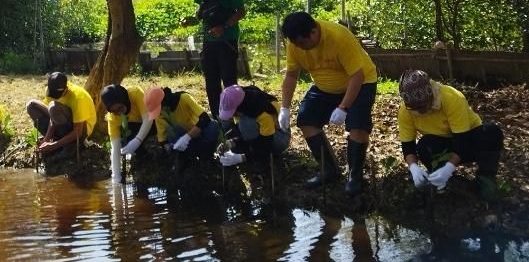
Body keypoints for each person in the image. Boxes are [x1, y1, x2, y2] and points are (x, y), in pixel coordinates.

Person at [279, 11, 378, 194]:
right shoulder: (295, 44)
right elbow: (292, 75)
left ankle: (355, 176)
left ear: (313, 32)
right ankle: (329, 169)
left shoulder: (339, 37)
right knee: (306, 119)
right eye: (296, 44)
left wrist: (343, 107)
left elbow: (357, 76)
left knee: (358, 126)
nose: (299, 47)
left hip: (360, 82)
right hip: (324, 86)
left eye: (302, 43)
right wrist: (284, 107)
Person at [398, 69, 504, 201]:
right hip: (442, 144)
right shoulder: (405, 111)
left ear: (431, 95)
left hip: (469, 139)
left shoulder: (451, 97)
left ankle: (486, 178)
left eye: (423, 106)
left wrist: (449, 168)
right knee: (424, 145)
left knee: (491, 133)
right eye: (415, 108)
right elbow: (408, 145)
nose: (420, 111)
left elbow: (462, 140)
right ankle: (440, 180)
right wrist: (413, 167)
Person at [180, 0, 246, 119]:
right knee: (211, 83)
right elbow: (201, 10)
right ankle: (218, 120)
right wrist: (191, 20)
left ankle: (236, 118)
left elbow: (241, 11)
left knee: (229, 82)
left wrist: (224, 27)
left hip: (226, 41)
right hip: (208, 42)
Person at [144, 86, 220, 170]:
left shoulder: (184, 98)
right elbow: (163, 139)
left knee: (213, 126)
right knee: (173, 132)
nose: (160, 112)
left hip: (200, 134)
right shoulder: (159, 115)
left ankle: (206, 156)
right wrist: (170, 148)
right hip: (186, 144)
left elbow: (205, 118)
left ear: (164, 101)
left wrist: (187, 137)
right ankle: (186, 158)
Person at [215, 84, 290, 167]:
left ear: (240, 107)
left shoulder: (261, 112)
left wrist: (242, 158)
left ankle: (261, 161)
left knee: (246, 124)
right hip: (260, 134)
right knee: (236, 141)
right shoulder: (244, 105)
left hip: (279, 136)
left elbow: (265, 145)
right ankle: (252, 154)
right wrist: (231, 143)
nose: (232, 117)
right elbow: (243, 134)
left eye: (232, 113)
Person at [26, 72, 96, 159]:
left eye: (58, 96)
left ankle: (69, 145)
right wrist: (46, 139)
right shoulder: (50, 90)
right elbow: (53, 117)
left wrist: (53, 146)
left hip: (79, 131)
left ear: (66, 89)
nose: (55, 97)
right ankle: (55, 139)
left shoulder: (78, 98)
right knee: (31, 105)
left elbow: (78, 132)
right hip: (59, 119)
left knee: (53, 107)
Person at [100, 84, 155, 184]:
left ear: (124, 100)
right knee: (128, 135)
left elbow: (148, 119)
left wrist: (137, 140)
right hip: (134, 128)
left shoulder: (135, 93)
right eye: (114, 111)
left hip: (153, 121)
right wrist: (116, 176)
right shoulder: (112, 117)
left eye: (120, 108)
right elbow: (115, 147)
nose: (119, 112)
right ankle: (144, 158)